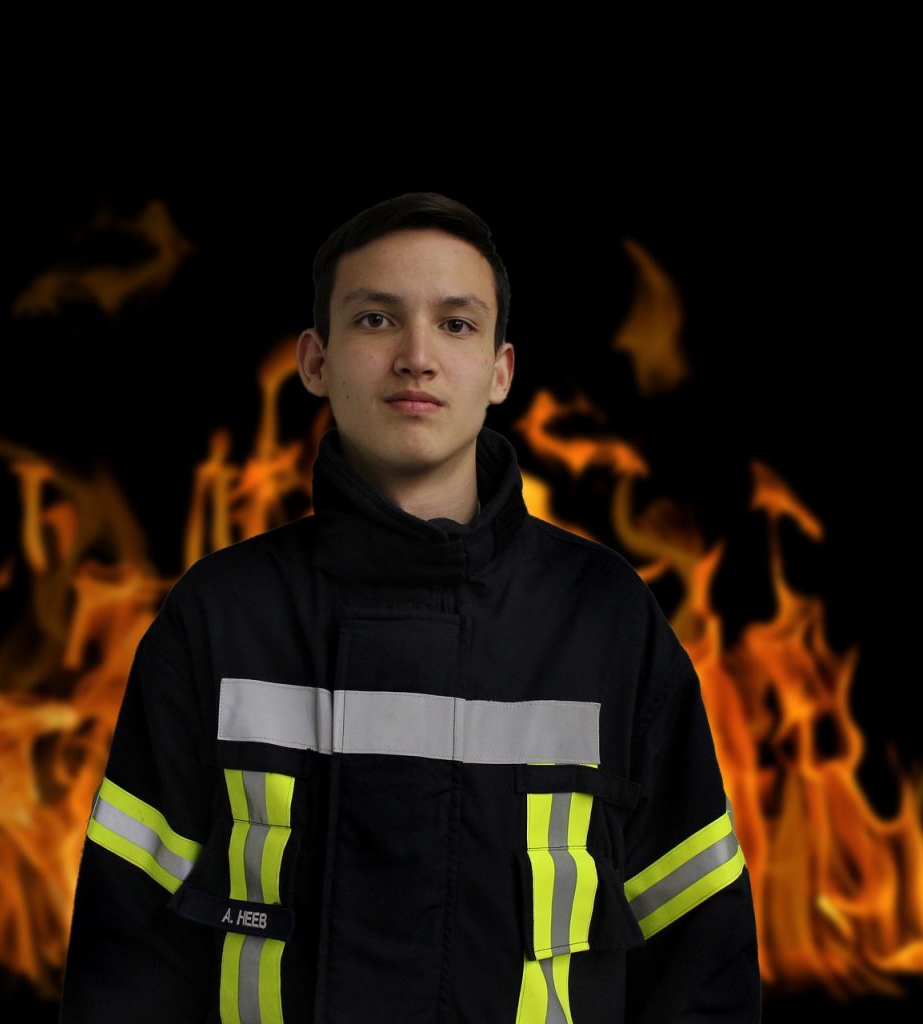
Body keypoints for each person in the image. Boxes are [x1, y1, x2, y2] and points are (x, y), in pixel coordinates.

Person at [58, 192, 762, 1023]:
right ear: (315, 361)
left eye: (456, 324)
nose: (417, 357)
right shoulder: (220, 618)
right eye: (376, 319)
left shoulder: (606, 621)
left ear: (501, 371)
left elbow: (699, 963)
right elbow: (127, 963)